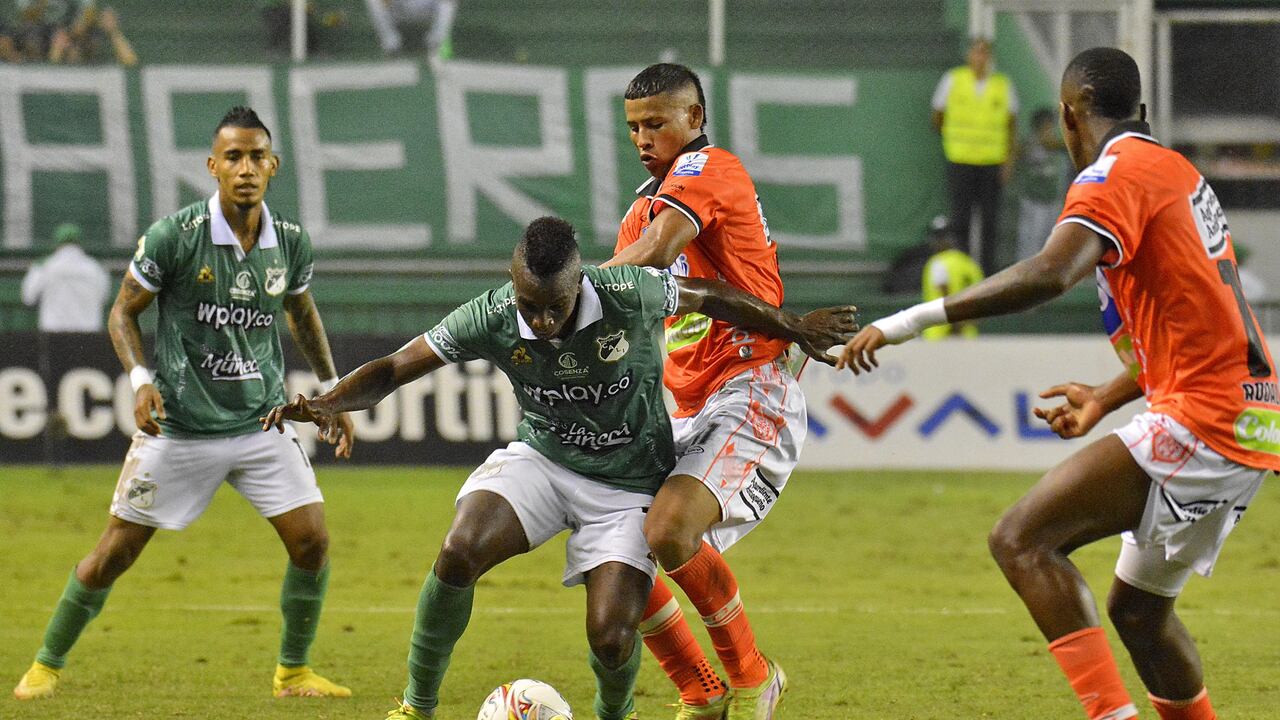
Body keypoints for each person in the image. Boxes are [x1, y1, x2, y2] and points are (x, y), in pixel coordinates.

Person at [262, 216, 857, 720]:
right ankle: (415, 706)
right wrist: (326, 402)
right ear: (512, 284)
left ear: (580, 282)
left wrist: (793, 327)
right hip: (543, 461)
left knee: (611, 634)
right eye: (529, 306)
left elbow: (714, 296)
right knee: (459, 548)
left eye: (554, 307)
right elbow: (396, 368)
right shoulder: (491, 315)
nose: (541, 322)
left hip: (629, 484)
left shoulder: (630, 292)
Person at [840, 47, 1278, 720]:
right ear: (1139, 110)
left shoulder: (1115, 175)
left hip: (1205, 418)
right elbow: (1198, 328)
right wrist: (1105, 397)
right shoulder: (1175, 171)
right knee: (1139, 613)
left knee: (1021, 539)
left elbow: (1048, 274)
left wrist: (905, 322)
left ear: (1071, 116)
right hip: (1246, 412)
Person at [12, 106, 356, 702]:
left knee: (312, 540)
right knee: (115, 553)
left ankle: (292, 673)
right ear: (213, 167)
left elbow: (300, 312)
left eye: (256, 157)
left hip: (261, 421)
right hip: (181, 428)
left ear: (273, 166)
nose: (245, 168)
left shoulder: (291, 243)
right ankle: (46, 662)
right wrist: (140, 378)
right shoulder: (175, 237)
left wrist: (334, 391)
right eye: (233, 157)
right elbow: (122, 311)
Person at [605, 62, 808, 720]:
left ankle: (753, 680)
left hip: (751, 387)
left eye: (657, 123)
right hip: (685, 407)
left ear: (694, 120)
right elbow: (628, 312)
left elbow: (656, 256)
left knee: (667, 529)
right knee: (613, 553)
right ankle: (700, 694)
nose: (643, 138)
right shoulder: (642, 209)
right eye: (634, 126)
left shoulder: (708, 168)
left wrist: (561, 287)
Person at [932, 37, 1019, 275]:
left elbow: (1012, 126)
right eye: (976, 52)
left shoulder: (1002, 85)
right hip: (960, 159)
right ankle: (963, 271)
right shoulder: (953, 80)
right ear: (969, 55)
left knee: (990, 221)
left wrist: (1008, 162)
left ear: (990, 57)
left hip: (992, 162)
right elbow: (937, 117)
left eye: (985, 53)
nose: (980, 58)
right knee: (961, 219)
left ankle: (988, 274)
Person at [21, 223, 110, 332]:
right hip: (88, 333)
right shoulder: (96, 268)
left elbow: (28, 297)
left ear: (57, 243)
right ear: (79, 243)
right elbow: (104, 298)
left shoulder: (43, 266)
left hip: (53, 333)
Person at [1015, 107, 1071, 261]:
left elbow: (1060, 144)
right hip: (1032, 200)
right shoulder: (1030, 144)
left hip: (1053, 201)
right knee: (1030, 242)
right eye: (1047, 125)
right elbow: (1018, 152)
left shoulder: (1058, 145)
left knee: (1050, 241)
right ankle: (1025, 278)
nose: (1050, 128)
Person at [919, 215, 982, 340]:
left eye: (940, 238)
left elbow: (945, 297)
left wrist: (955, 327)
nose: (937, 242)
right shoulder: (969, 263)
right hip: (969, 336)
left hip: (941, 335)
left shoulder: (937, 262)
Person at [364, 0, 456, 62]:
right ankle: (392, 47)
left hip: (427, 9)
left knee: (448, 2)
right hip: (399, 9)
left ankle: (434, 46)